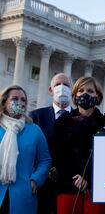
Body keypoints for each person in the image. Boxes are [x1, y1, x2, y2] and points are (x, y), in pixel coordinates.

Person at [52, 77, 105, 214]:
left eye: (90, 91)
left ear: (98, 96)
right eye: (81, 90)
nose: (85, 94)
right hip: (68, 185)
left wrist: (89, 179)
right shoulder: (63, 121)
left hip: (97, 189)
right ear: (75, 95)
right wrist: (74, 177)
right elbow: (57, 153)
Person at [0, 85, 51, 214]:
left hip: (23, 193)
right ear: (4, 102)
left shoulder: (34, 130)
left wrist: (35, 179)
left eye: (23, 100)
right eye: (15, 98)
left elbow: (45, 160)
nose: (20, 103)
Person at [29, 72, 72, 214]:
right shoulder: (36, 116)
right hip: (42, 185)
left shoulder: (78, 118)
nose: (62, 87)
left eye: (66, 85)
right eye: (57, 84)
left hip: (70, 186)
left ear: (72, 90)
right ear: (50, 90)